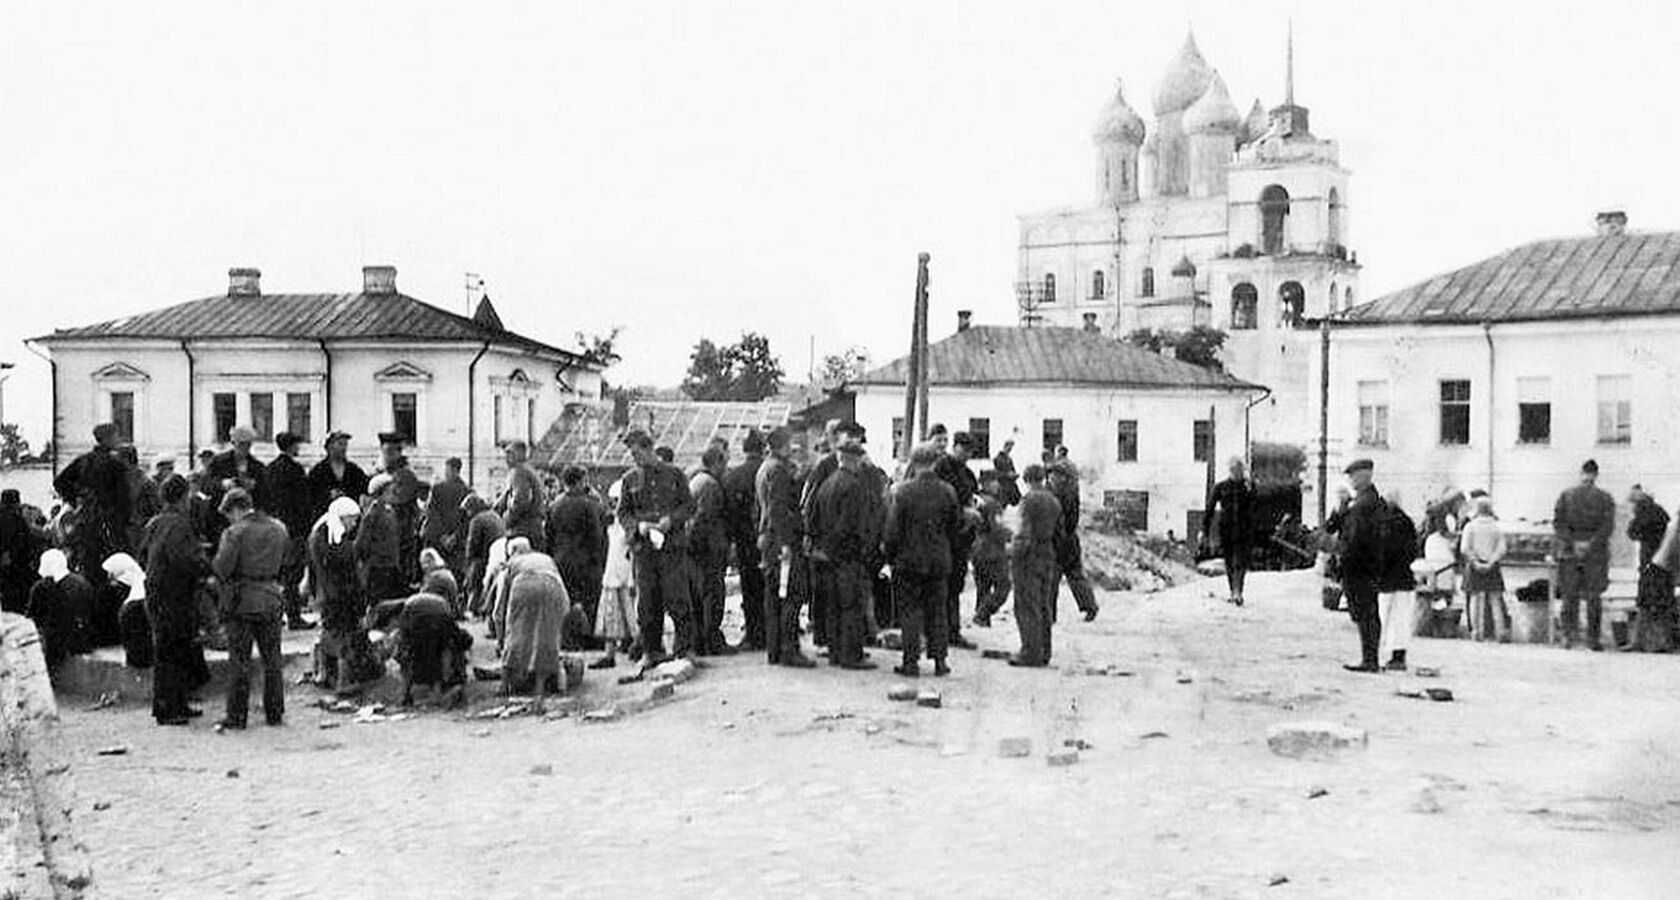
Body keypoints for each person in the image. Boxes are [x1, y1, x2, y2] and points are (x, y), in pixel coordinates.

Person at [211, 488, 290, 730]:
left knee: (240, 661)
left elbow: (222, 568)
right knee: (273, 660)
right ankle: (275, 712)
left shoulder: (234, 533)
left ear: (235, 509)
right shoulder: (279, 528)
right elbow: (287, 562)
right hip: (272, 597)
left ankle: (237, 716)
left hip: (241, 601)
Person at [618, 429, 695, 667]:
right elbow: (623, 512)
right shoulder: (630, 479)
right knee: (648, 602)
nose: (635, 459)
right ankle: (651, 651)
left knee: (677, 597)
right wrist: (637, 527)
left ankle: (684, 649)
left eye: (637, 452)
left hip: (671, 547)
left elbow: (689, 506)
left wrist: (671, 520)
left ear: (649, 449)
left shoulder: (674, 475)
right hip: (644, 550)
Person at [884, 444, 962, 678]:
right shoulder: (947, 491)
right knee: (938, 611)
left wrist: (890, 556)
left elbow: (892, 531)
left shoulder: (903, 492)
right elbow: (955, 526)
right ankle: (940, 661)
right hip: (939, 560)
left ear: (914, 464)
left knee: (910, 612)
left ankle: (911, 662)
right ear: (935, 463)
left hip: (908, 561)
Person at [808, 424, 882, 670]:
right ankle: (852, 655)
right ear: (854, 459)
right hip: (848, 555)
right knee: (851, 605)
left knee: (834, 606)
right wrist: (863, 549)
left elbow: (815, 517)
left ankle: (835, 651)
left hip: (827, 554)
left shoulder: (828, 483)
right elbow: (854, 525)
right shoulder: (855, 486)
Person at [140, 475, 210, 725]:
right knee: (172, 652)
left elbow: (142, 555)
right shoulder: (180, 525)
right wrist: (205, 567)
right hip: (174, 596)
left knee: (171, 650)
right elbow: (185, 560)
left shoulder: (155, 523)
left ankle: (177, 703)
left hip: (157, 592)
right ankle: (168, 708)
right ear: (182, 497)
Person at [308, 496, 381, 694]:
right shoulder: (334, 540)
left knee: (328, 634)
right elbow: (348, 566)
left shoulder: (320, 534)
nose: (354, 524)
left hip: (327, 595)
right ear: (342, 516)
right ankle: (343, 682)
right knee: (344, 640)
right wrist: (360, 602)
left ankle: (322, 674)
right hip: (341, 597)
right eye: (352, 519)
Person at [756, 427, 814, 667]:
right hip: (782, 542)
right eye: (790, 444)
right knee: (791, 594)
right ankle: (789, 649)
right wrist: (786, 543)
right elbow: (778, 510)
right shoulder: (779, 471)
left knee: (774, 597)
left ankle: (775, 649)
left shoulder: (764, 468)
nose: (794, 449)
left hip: (769, 540)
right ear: (783, 445)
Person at [53, 422, 133, 575]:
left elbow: (60, 482)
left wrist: (75, 500)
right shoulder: (115, 465)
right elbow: (124, 500)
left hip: (86, 522)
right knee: (116, 568)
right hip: (110, 524)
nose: (119, 439)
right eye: (116, 436)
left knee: (89, 567)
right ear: (108, 438)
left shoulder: (83, 461)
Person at [1553, 459, 1616, 650]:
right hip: (1595, 555)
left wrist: (1573, 543)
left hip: (1569, 553)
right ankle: (1592, 639)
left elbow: (1558, 523)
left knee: (1568, 596)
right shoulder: (1605, 498)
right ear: (1596, 474)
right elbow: (1608, 527)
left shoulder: (1566, 495)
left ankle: (1567, 636)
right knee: (1593, 597)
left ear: (1581, 473)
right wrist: (1590, 545)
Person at [493, 539, 569, 697]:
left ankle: (504, 685)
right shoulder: (545, 559)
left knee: (515, 635)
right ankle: (539, 689)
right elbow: (562, 591)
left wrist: (501, 642)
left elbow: (499, 611)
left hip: (524, 583)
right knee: (546, 637)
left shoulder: (510, 564)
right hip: (551, 584)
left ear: (512, 551)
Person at [545, 465, 608, 648]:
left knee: (565, 601)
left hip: (561, 560)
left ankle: (567, 639)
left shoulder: (554, 505)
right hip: (587, 561)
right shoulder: (591, 505)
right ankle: (590, 640)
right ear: (581, 481)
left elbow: (548, 536)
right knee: (590, 601)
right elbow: (598, 536)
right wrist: (601, 560)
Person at [1008, 464, 1061, 667]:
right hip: (1047, 554)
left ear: (1026, 480)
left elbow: (1023, 532)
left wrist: (1014, 553)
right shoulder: (1053, 501)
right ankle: (1045, 651)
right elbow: (1060, 533)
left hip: (1028, 556)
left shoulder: (1028, 501)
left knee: (1026, 604)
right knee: (1043, 605)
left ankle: (1030, 652)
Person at [1338, 459, 1387, 673]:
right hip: (1368, 565)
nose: (1350, 480)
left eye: (1353, 476)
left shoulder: (1364, 504)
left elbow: (1354, 539)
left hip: (1360, 566)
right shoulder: (1368, 501)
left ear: (1364, 476)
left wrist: (1342, 555)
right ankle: (1370, 657)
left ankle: (1370, 659)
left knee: (1365, 612)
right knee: (1367, 612)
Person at [934, 431, 981, 650]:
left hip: (962, 538)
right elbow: (943, 501)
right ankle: (943, 631)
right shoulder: (943, 467)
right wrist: (963, 513)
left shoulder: (967, 472)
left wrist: (976, 504)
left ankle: (952, 630)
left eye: (971, 451)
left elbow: (972, 492)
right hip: (946, 536)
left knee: (956, 585)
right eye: (965, 450)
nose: (967, 455)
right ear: (956, 447)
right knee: (944, 587)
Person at [266, 432, 316, 630]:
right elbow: (304, 502)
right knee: (292, 577)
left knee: (274, 575)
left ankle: (275, 616)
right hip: (294, 530)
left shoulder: (269, 469)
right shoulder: (295, 470)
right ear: (291, 446)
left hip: (274, 528)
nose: (299, 448)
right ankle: (294, 617)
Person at [723, 430, 768, 651]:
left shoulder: (733, 476)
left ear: (744, 449)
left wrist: (732, 540)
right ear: (763, 448)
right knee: (771, 587)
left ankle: (754, 634)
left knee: (749, 589)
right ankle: (772, 633)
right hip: (768, 539)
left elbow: (728, 513)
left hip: (744, 542)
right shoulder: (770, 470)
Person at [688, 446, 732, 656]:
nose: (725, 468)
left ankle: (701, 640)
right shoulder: (710, 486)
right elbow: (706, 521)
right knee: (713, 596)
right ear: (716, 463)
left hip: (698, 552)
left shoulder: (697, 480)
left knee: (701, 596)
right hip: (709, 552)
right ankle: (712, 640)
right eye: (723, 464)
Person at [591, 478, 638, 669]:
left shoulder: (628, 524)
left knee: (632, 615)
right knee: (611, 616)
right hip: (614, 574)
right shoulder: (614, 524)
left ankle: (639, 647)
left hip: (626, 575)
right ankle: (610, 654)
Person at [26, 548, 95, 673]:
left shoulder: (42, 587)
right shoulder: (82, 583)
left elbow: (32, 617)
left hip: (56, 645)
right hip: (83, 640)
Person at [1048, 460, 1100, 622]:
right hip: (1071, 540)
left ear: (1061, 477)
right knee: (1076, 575)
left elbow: (1059, 520)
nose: (1051, 478)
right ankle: (1090, 606)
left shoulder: (1059, 496)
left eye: (1053, 475)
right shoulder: (1071, 492)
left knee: (1052, 579)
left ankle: (1050, 614)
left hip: (1060, 542)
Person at [377, 432, 430, 585]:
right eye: (384, 452)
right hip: (387, 537)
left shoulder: (405, 475)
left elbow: (398, 500)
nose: (386, 457)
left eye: (390, 452)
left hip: (402, 536)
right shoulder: (386, 475)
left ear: (399, 453)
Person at [1202, 457, 1256, 607]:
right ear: (1230, 471)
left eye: (1240, 470)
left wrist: (1251, 488)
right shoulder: (1221, 487)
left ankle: (1238, 592)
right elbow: (1210, 509)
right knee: (1229, 562)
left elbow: (1255, 506)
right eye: (1234, 470)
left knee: (1241, 562)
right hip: (1226, 529)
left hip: (1244, 529)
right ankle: (1233, 590)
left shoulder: (1248, 487)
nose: (1237, 473)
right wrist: (1204, 530)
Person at [1628, 485, 1673, 652]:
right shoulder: (1661, 512)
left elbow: (1632, 532)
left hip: (1649, 562)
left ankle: (1641, 641)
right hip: (1663, 563)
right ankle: (1662, 642)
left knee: (1645, 602)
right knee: (1661, 602)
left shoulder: (1644, 513)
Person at [1458, 495, 1509, 643]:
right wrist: (1491, 561)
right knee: (1495, 600)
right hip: (1492, 567)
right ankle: (1500, 632)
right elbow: (1502, 548)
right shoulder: (1496, 527)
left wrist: (1475, 561)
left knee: (1475, 600)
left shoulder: (1470, 527)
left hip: (1475, 566)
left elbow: (1465, 548)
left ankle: (1476, 632)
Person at [1378, 490, 1419, 671]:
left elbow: (1379, 551)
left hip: (1385, 578)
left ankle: (1375, 654)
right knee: (1401, 618)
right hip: (1405, 577)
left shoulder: (1382, 522)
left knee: (1382, 616)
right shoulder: (1408, 522)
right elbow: (1414, 550)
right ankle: (1399, 656)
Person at [969, 474, 1014, 627]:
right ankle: (983, 613)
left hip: (977, 548)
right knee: (1003, 586)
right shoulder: (993, 504)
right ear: (986, 483)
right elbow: (997, 528)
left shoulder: (976, 501)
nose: (997, 485)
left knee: (983, 585)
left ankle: (981, 617)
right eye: (994, 481)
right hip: (992, 549)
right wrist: (1013, 536)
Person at [357, 474, 406, 603]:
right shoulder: (373, 513)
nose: (393, 493)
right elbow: (363, 541)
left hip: (391, 565)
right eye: (390, 490)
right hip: (377, 567)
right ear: (381, 492)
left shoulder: (390, 511)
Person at [205, 426, 269, 521]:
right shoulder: (219, 462)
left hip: (248, 516)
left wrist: (254, 485)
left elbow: (265, 492)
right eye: (241, 444)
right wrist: (223, 484)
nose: (244, 448)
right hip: (222, 516)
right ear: (233, 443)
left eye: (247, 445)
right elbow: (207, 485)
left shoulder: (257, 466)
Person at [0, 488, 45, 614]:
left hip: (5, 568)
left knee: (7, 597)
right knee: (19, 598)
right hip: (19, 566)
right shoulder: (18, 519)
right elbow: (26, 540)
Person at [461, 493, 505, 617]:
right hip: (498, 554)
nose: (467, 514)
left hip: (484, 557)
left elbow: (473, 545)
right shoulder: (495, 516)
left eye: (468, 510)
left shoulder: (477, 520)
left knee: (474, 582)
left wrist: (467, 564)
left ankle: (473, 609)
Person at [308, 431, 370, 517]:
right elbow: (310, 495)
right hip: (326, 517)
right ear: (330, 447)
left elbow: (366, 486)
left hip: (350, 517)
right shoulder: (318, 471)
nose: (344, 448)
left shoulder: (353, 470)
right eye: (340, 444)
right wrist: (328, 495)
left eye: (345, 445)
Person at [498, 440, 545, 552]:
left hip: (522, 529)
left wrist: (506, 520)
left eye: (510, 453)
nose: (506, 458)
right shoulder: (529, 470)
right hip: (533, 528)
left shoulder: (519, 472)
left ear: (519, 454)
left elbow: (520, 500)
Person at [423, 457, 471, 561]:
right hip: (457, 545)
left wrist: (442, 536)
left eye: (446, 470)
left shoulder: (437, 489)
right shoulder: (468, 492)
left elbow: (431, 513)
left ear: (451, 470)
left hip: (437, 541)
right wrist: (455, 537)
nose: (445, 473)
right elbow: (467, 519)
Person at [418, 547, 460, 614]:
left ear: (435, 560)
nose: (425, 566)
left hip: (441, 613)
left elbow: (423, 597)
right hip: (447, 610)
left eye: (428, 562)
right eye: (423, 563)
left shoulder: (437, 577)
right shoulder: (444, 572)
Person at [992, 439, 1022, 507]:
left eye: (1011, 448)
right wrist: (1007, 475)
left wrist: (1014, 475)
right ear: (1005, 446)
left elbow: (1012, 470)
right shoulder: (998, 459)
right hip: (1003, 485)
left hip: (1011, 485)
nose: (1010, 449)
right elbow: (997, 473)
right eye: (1009, 447)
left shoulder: (1009, 459)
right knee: (1003, 503)